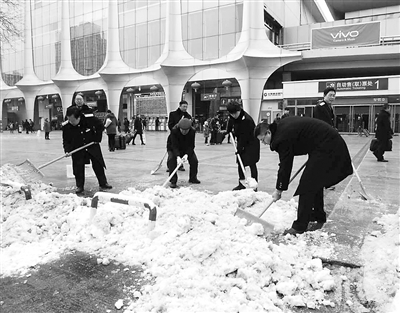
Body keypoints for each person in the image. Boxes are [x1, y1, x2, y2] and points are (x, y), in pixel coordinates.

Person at [255, 116, 353, 235]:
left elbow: (285, 165)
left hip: (328, 146)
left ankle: (300, 226)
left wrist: (279, 189)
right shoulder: (280, 128)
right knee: (314, 182)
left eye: (262, 139)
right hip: (322, 145)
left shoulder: (281, 138)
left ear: (268, 132)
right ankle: (318, 216)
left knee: (307, 185)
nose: (263, 143)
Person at [62, 106, 112, 194]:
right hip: (77, 148)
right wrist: (67, 150)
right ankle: (79, 186)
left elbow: (101, 127)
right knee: (78, 167)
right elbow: (66, 140)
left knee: (98, 165)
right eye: (69, 120)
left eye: (73, 120)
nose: (71, 122)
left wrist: (97, 139)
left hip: (92, 145)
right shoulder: (66, 126)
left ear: (79, 117)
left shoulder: (90, 120)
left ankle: (103, 183)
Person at [226, 101, 260, 191]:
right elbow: (230, 122)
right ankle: (241, 183)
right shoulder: (232, 116)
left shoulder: (246, 120)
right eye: (231, 114)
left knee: (251, 163)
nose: (234, 115)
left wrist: (239, 149)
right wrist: (228, 130)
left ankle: (254, 185)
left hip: (252, 143)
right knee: (240, 164)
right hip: (242, 140)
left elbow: (243, 138)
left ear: (239, 110)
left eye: (235, 113)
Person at [167, 118, 200, 188]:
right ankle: (173, 181)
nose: (184, 132)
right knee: (171, 160)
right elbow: (174, 145)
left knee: (194, 161)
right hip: (173, 148)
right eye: (182, 130)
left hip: (186, 148)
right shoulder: (174, 131)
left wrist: (187, 154)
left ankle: (193, 178)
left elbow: (191, 145)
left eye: (186, 130)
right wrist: (178, 156)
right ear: (179, 128)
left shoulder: (192, 131)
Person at [167, 100, 192, 171]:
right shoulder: (173, 114)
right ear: (180, 106)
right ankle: (170, 166)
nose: (185, 108)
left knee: (182, 151)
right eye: (184, 106)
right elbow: (170, 125)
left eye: (186, 107)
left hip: (184, 137)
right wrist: (179, 124)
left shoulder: (188, 116)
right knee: (172, 152)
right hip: (174, 136)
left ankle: (180, 165)